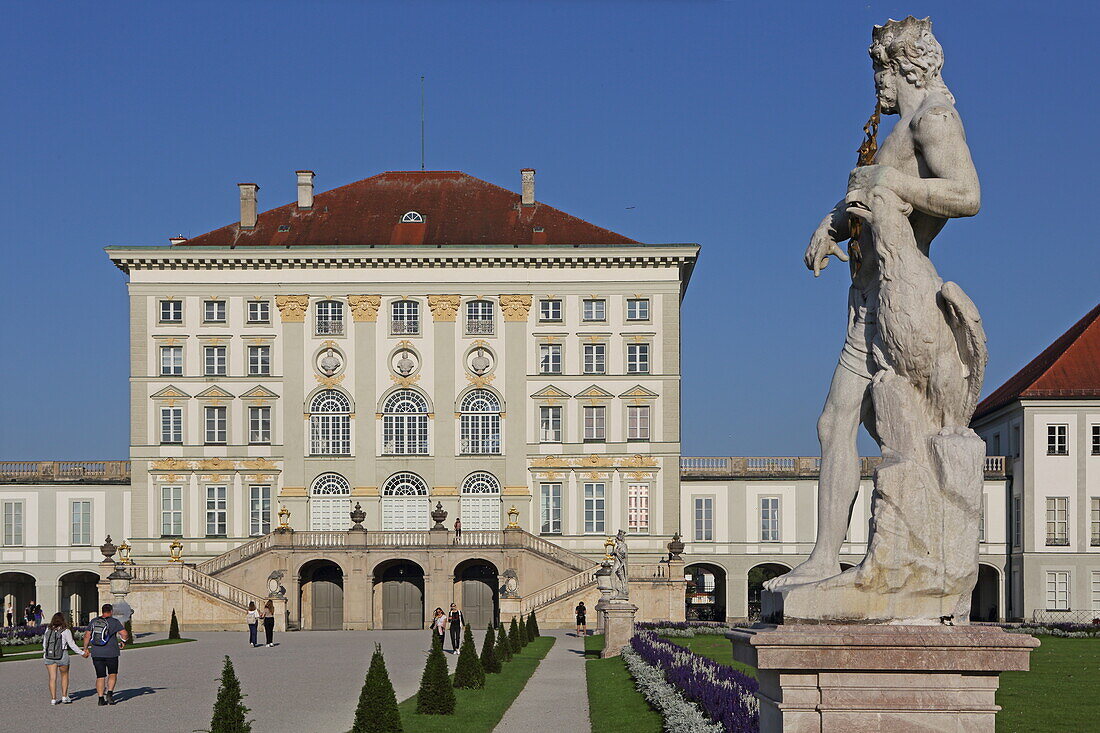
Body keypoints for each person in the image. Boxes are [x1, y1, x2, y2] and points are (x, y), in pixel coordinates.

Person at [770, 17, 981, 592]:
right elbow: (869, 193)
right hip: (865, 297)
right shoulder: (903, 126)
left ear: (901, 65)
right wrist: (831, 224)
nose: (876, 85)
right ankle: (823, 559)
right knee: (832, 423)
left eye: (878, 70)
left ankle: (903, 557)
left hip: (899, 300)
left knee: (887, 429)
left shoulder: (933, 117)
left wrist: (890, 184)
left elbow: (967, 194)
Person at [83, 603, 128, 706]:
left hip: (97, 653)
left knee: (100, 676)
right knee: (112, 674)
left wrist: (85, 648)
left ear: (102, 611)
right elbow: (124, 633)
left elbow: (87, 635)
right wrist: (123, 641)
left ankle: (100, 698)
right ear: (111, 611)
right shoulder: (114, 622)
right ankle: (110, 693)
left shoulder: (94, 621)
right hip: (111, 652)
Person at [43, 612, 86, 705]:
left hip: (49, 656)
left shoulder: (48, 629)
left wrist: (45, 653)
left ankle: (53, 699)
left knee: (52, 678)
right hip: (62, 654)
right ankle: (64, 696)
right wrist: (82, 653)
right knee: (64, 675)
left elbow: (45, 644)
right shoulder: (66, 631)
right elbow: (72, 645)